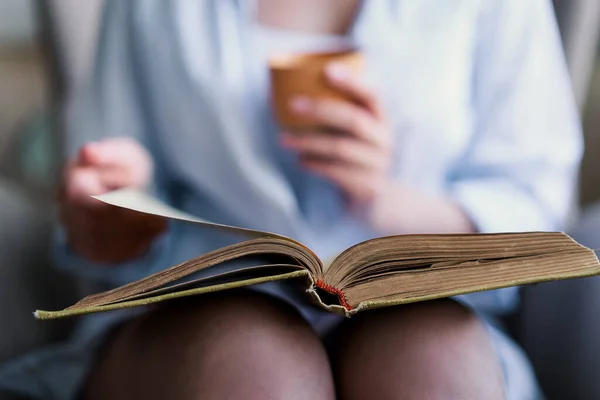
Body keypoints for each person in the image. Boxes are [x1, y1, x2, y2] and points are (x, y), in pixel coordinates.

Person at [0, 0, 582, 399]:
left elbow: (535, 210)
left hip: (426, 309)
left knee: (429, 361)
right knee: (254, 361)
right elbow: (107, 199)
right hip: (187, 317)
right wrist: (113, 214)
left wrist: (387, 199)